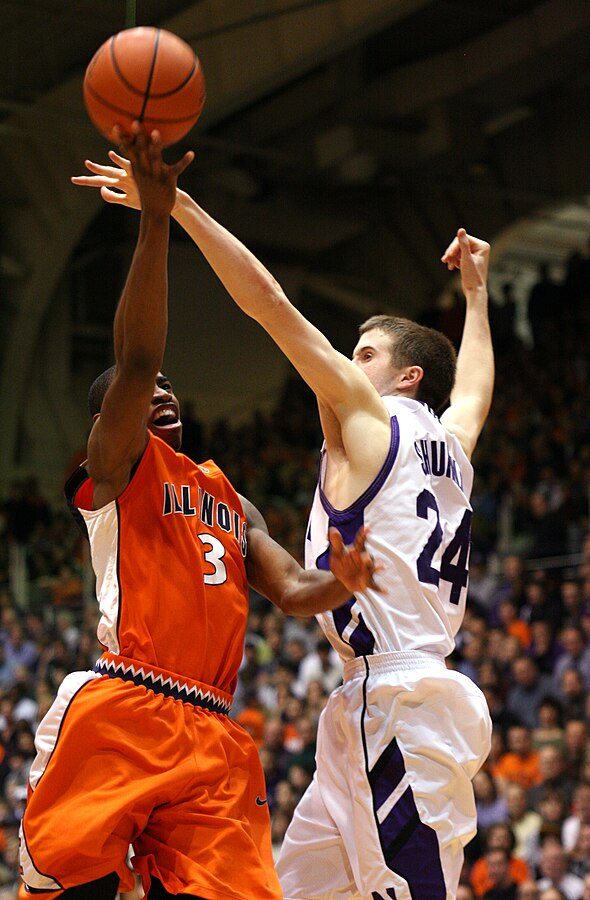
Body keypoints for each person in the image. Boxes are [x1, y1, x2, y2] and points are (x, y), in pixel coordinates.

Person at [73, 151, 495, 897]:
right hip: (369, 704)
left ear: (405, 378)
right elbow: (476, 386)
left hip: (397, 700)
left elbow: (268, 302)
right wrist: (477, 295)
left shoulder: (368, 418)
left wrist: (178, 207)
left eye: (364, 352)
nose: (346, 361)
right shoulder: (454, 439)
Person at [20, 128, 381, 900]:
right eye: (138, 395)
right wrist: (155, 218)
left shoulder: (228, 495)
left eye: (167, 390)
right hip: (127, 703)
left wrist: (342, 580)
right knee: (69, 887)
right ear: (108, 421)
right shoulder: (117, 467)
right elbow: (140, 357)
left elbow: (290, 590)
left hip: (214, 729)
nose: (159, 392)